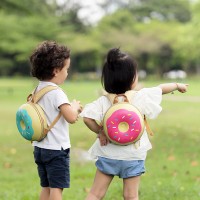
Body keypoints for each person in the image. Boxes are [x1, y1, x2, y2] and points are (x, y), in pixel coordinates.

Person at [80, 48, 188, 200]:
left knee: (95, 194)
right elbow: (161, 89)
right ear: (132, 79)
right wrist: (177, 85)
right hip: (133, 155)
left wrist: (100, 131)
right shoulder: (141, 96)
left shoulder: (103, 101)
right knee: (131, 196)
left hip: (108, 154)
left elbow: (86, 118)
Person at [30, 41, 82, 200]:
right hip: (56, 150)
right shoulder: (57, 93)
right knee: (57, 189)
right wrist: (75, 106)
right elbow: (71, 117)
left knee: (46, 187)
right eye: (66, 69)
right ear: (56, 70)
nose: (67, 73)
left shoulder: (37, 89)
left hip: (40, 148)